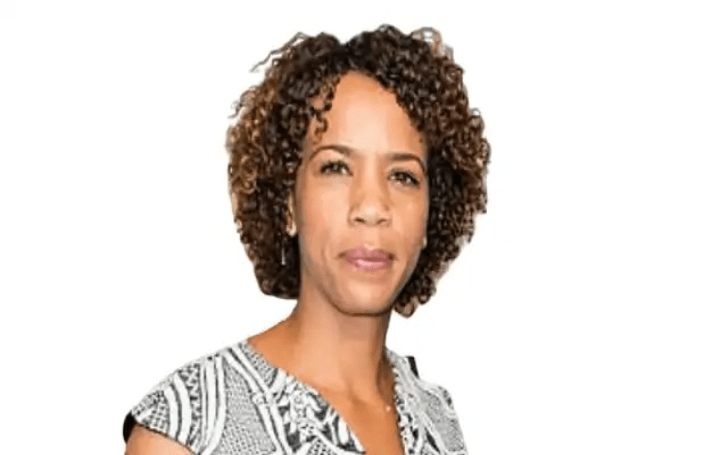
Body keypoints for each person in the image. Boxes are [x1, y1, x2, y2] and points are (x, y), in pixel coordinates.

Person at [123, 24, 490, 455]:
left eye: (403, 176)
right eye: (336, 168)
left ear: (432, 212)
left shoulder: (437, 418)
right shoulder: (190, 428)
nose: (372, 206)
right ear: (288, 204)